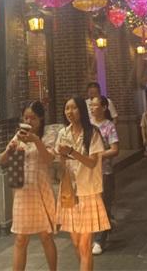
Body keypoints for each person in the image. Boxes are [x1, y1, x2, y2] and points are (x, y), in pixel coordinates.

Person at [0, 101, 57, 271]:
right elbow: (2, 161)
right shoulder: (18, 136)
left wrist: (36, 140)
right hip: (22, 193)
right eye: (26, 118)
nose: (29, 121)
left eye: (33, 118)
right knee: (20, 239)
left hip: (41, 191)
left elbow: (49, 159)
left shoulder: (48, 135)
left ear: (41, 118)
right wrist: (9, 150)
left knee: (46, 236)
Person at [56, 97, 109, 271]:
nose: (69, 112)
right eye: (67, 108)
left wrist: (72, 152)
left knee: (85, 245)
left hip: (88, 192)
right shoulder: (63, 133)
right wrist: (60, 158)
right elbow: (60, 163)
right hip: (70, 192)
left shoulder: (92, 133)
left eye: (74, 108)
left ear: (81, 110)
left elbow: (92, 162)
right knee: (76, 244)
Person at [89, 96, 119, 255]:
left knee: (102, 205)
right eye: (91, 105)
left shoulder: (109, 126)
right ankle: (103, 229)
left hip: (104, 172)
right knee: (92, 205)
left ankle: (99, 240)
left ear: (104, 107)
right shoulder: (87, 125)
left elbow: (115, 150)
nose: (92, 108)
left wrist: (97, 156)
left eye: (95, 105)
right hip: (88, 173)